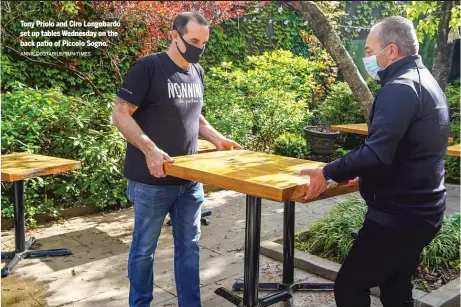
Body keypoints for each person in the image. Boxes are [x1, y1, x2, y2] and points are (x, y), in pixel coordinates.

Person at [299, 16, 449, 307]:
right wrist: (365, 175)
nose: (366, 57)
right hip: (424, 213)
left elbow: (376, 152)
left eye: (369, 51)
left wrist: (327, 172)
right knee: (396, 289)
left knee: (350, 287)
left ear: (391, 51)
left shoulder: (400, 88)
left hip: (399, 218)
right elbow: (405, 150)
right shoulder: (426, 81)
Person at [112, 12, 242, 307]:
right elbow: (119, 113)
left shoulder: (197, 71)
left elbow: (194, 115)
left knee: (190, 248)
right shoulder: (148, 67)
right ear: (174, 35)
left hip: (190, 180)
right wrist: (150, 149)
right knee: (144, 250)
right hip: (152, 180)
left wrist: (217, 138)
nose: (200, 48)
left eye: (204, 42)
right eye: (194, 41)